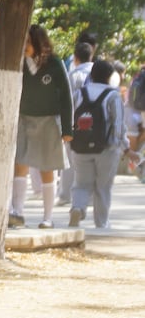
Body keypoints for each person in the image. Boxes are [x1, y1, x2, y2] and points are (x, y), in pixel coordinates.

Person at [10, 25, 74, 229]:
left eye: (27, 42)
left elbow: (66, 96)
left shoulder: (54, 64)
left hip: (48, 121)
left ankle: (47, 218)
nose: (24, 47)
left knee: (47, 169)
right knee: (20, 165)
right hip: (24, 120)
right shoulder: (18, 64)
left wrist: (67, 129)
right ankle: (17, 213)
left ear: (38, 43)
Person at [69, 59, 128, 228]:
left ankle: (78, 208)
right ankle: (101, 223)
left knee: (81, 184)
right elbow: (118, 124)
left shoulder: (80, 93)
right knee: (103, 187)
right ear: (110, 77)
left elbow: (70, 116)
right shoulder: (113, 95)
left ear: (92, 75)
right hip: (106, 149)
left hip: (80, 147)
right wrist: (121, 146)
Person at [58, 41, 95, 205]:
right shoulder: (100, 72)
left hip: (75, 124)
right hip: (96, 125)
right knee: (92, 161)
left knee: (70, 161)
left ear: (76, 57)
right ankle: (92, 197)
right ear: (91, 55)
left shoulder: (72, 75)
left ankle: (65, 195)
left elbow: (66, 101)